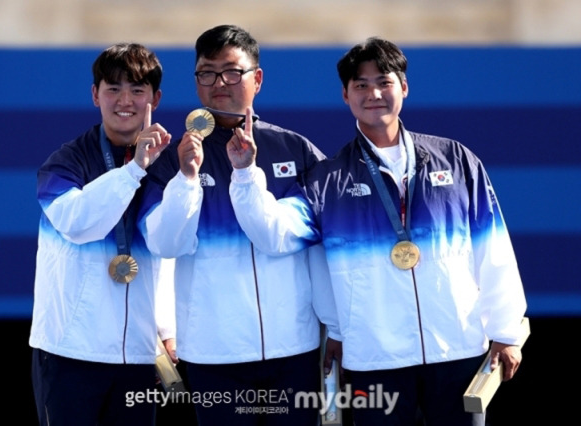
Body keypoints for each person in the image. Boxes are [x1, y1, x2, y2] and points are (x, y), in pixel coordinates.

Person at [228, 36, 528, 426]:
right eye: (361, 85)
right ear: (346, 96)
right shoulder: (327, 180)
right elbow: (274, 235)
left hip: (457, 348)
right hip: (374, 356)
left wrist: (505, 330)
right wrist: (245, 172)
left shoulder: (455, 160)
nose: (374, 94)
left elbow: (493, 248)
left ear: (403, 87)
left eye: (384, 82)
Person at [143, 24, 341, 425]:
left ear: (257, 79)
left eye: (232, 71)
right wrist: (185, 179)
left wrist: (335, 325)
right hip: (214, 354)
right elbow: (164, 245)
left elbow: (320, 246)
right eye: (207, 72)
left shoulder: (296, 150)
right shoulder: (172, 158)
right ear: (196, 80)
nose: (220, 83)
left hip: (293, 350)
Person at [29, 42, 172, 426]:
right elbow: (76, 225)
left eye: (138, 90)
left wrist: (168, 328)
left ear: (154, 99)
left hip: (139, 356)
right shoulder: (66, 162)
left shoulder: (167, 166)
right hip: (70, 353)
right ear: (95, 95)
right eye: (113, 89)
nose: (125, 100)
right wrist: (133, 170)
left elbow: (169, 249)